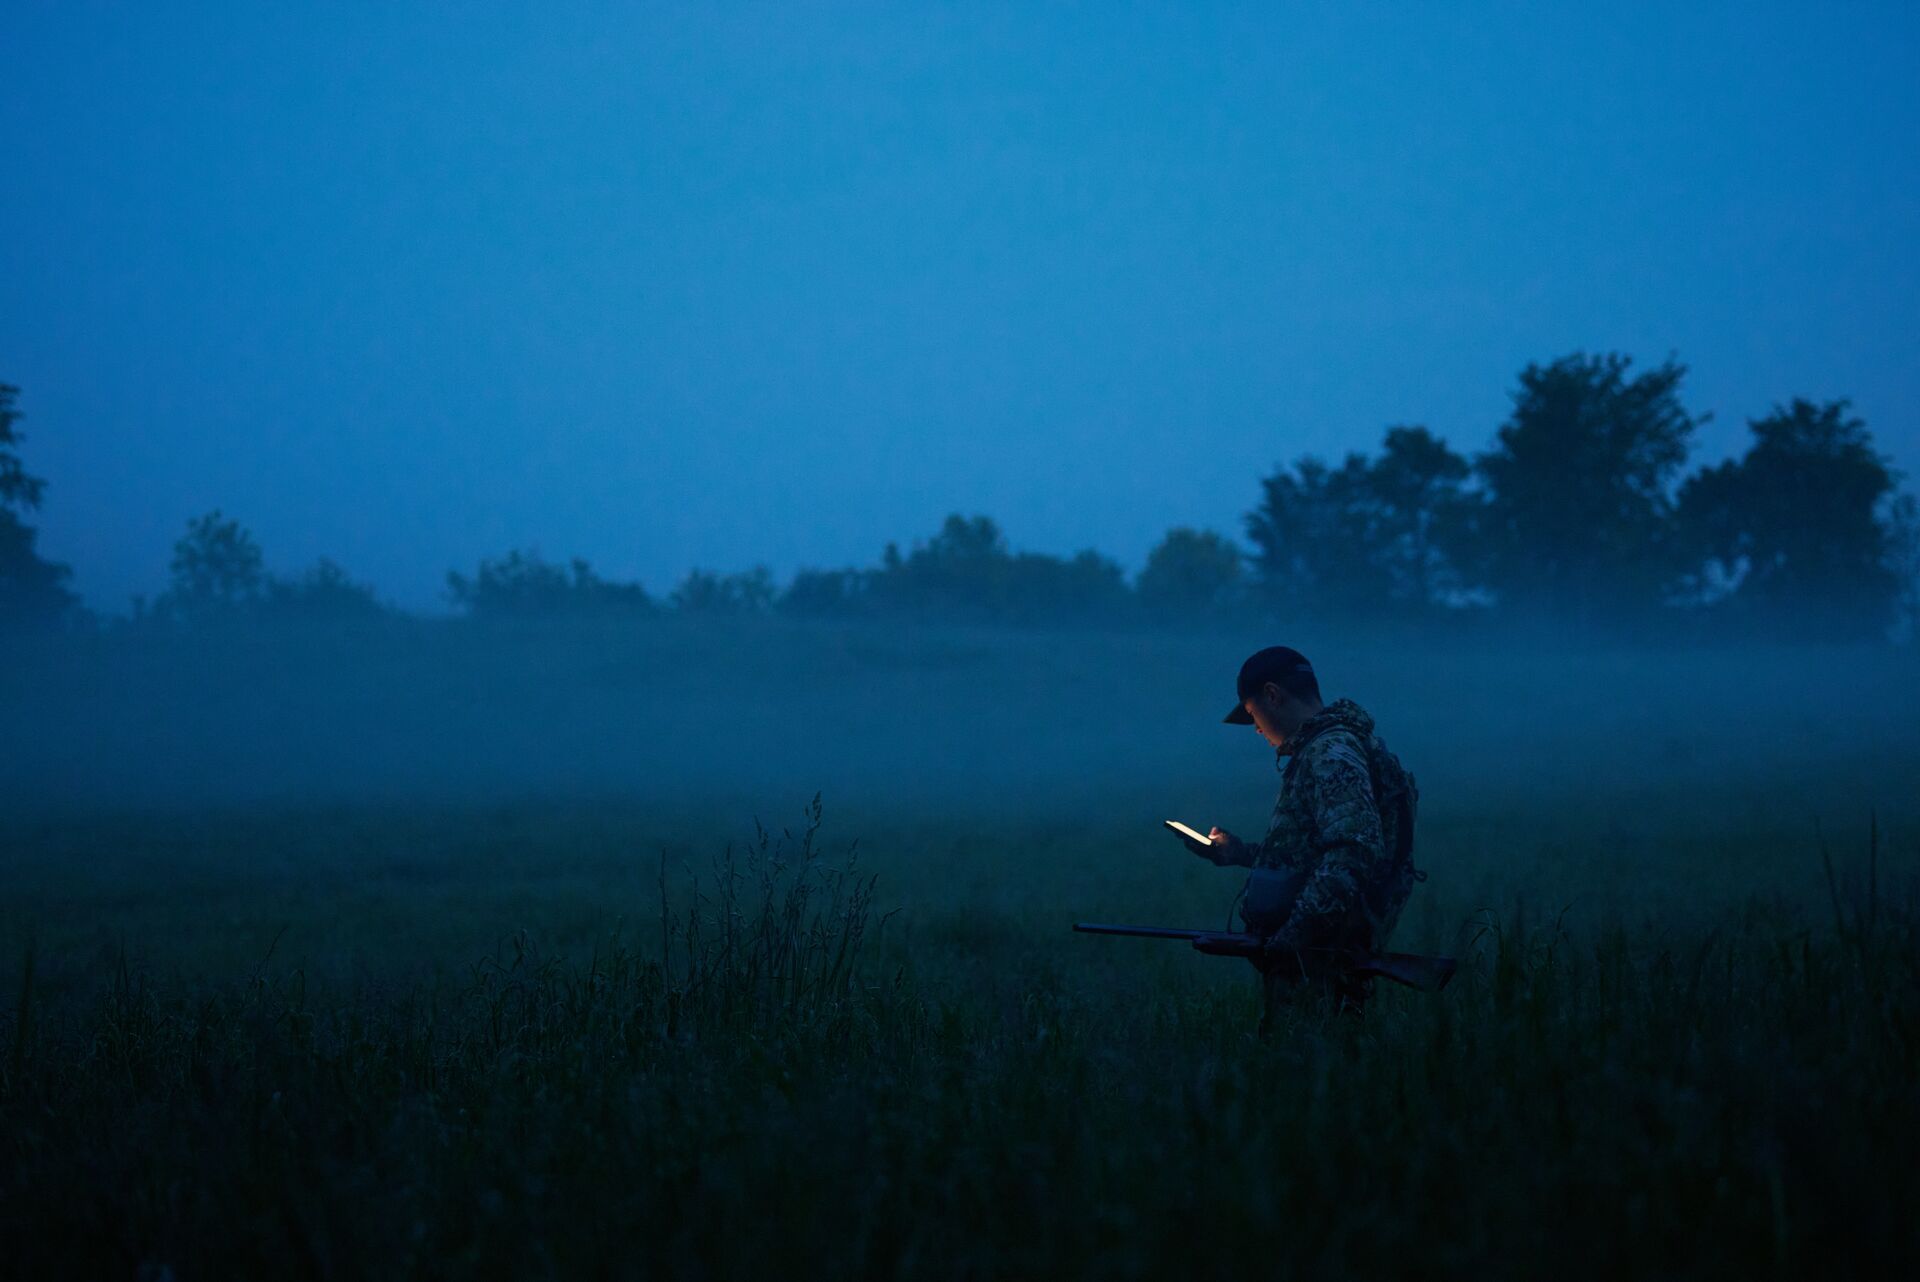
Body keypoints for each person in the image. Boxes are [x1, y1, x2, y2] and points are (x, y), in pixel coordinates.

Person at [1181, 645, 1421, 1026]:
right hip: (1317, 950)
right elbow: (1309, 854)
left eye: (1252, 714)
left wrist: (1294, 935)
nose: (1257, 729)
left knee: (1312, 1059)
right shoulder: (1325, 749)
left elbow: (1352, 852)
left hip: (1322, 954)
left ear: (1273, 695)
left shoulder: (1330, 752)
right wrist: (1238, 853)